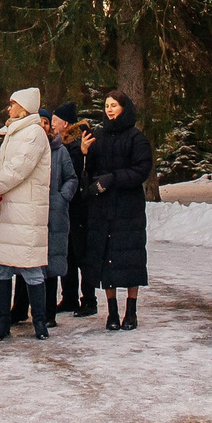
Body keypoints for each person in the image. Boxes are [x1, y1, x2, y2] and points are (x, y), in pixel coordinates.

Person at [0, 88, 54, 340]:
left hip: (27, 212)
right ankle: (3, 322)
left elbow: (18, 169)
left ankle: (40, 323)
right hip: (8, 207)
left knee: (31, 268)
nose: (8, 108)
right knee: (2, 268)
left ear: (24, 107)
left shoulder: (34, 133)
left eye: (12, 104)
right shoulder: (13, 132)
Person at [81, 91, 153, 329]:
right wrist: (84, 155)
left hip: (128, 208)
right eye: (107, 105)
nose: (109, 109)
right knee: (107, 260)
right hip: (102, 209)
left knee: (130, 259)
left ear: (124, 108)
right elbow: (87, 171)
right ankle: (111, 312)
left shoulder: (136, 138)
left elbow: (141, 170)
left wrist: (113, 179)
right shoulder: (97, 137)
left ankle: (130, 312)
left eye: (114, 105)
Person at [40, 101, 77, 330]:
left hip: (55, 214)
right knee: (35, 264)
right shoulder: (30, 149)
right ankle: (35, 310)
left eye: (47, 123)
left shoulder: (59, 150)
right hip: (34, 212)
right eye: (41, 122)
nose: (44, 126)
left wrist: (62, 197)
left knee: (53, 263)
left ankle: (49, 313)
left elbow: (72, 178)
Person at [52, 104, 91, 314]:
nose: (51, 125)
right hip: (67, 207)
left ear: (65, 123)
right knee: (67, 253)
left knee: (81, 253)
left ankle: (89, 299)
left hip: (80, 207)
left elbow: (76, 175)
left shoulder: (77, 145)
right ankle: (69, 297)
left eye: (55, 121)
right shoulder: (63, 145)